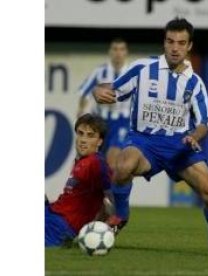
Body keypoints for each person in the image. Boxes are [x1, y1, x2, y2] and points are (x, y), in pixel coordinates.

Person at [93, 18, 208, 256]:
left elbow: (206, 121)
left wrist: (195, 136)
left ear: (189, 46)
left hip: (180, 145)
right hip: (144, 142)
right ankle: (121, 214)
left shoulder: (194, 82)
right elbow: (109, 88)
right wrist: (97, 90)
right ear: (164, 42)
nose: (175, 48)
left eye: (181, 43)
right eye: (170, 41)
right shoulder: (143, 68)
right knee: (122, 166)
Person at [77, 38, 132, 230]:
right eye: (115, 49)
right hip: (101, 124)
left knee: (112, 162)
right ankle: (102, 207)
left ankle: (114, 211)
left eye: (121, 49)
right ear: (110, 52)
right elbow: (84, 95)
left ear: (126, 52)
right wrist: (82, 118)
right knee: (95, 168)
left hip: (123, 124)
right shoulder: (100, 72)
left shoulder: (133, 72)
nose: (118, 52)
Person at [45, 114, 115, 247]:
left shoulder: (96, 163)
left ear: (100, 141)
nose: (83, 140)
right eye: (81, 133)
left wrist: (105, 227)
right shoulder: (82, 161)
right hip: (52, 213)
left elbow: (113, 197)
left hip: (60, 226)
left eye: (90, 136)